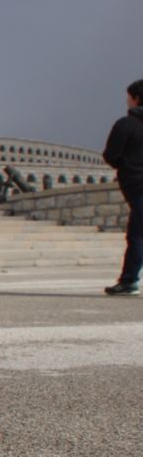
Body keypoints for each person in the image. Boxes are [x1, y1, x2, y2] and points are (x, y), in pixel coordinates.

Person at [101, 79, 143, 296]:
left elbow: (111, 155)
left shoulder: (126, 124)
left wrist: (126, 166)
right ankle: (128, 279)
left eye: (128, 96)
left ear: (135, 98)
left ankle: (128, 280)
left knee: (137, 235)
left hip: (137, 184)